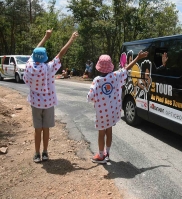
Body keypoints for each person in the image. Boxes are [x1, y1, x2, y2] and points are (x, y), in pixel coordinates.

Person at [23, 29, 79, 163]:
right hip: (48, 103)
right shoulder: (48, 68)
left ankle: (36, 154)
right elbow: (61, 54)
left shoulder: (29, 66)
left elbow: (34, 51)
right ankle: (45, 152)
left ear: (34, 57)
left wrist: (45, 37)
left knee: (38, 129)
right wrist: (71, 39)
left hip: (35, 103)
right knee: (46, 128)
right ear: (45, 57)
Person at [87, 50, 148, 163]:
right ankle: (107, 153)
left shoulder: (97, 80)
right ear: (110, 66)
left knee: (101, 133)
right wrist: (138, 58)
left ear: (99, 67)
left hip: (101, 113)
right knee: (109, 131)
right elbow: (126, 68)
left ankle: (101, 156)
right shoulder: (115, 76)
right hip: (112, 112)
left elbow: (90, 96)